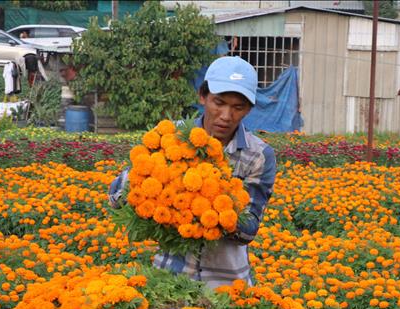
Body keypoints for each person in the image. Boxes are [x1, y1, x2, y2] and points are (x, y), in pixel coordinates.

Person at [109, 56, 276, 289]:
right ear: (203, 96)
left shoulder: (259, 155)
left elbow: (248, 230)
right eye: (219, 103)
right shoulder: (170, 136)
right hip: (168, 279)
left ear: (249, 109)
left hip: (226, 286)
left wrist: (210, 201)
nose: (226, 116)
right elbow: (116, 198)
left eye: (237, 107)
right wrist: (150, 177)